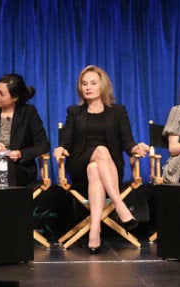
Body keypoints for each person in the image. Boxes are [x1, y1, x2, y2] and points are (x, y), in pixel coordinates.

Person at [53, 65, 149, 254]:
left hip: (110, 168)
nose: (87, 87)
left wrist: (136, 148)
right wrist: (60, 148)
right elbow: (66, 141)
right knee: (100, 151)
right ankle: (120, 207)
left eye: (93, 83)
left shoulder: (118, 111)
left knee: (95, 168)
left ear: (102, 86)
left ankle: (94, 230)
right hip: (79, 163)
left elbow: (127, 141)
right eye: (84, 83)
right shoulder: (74, 112)